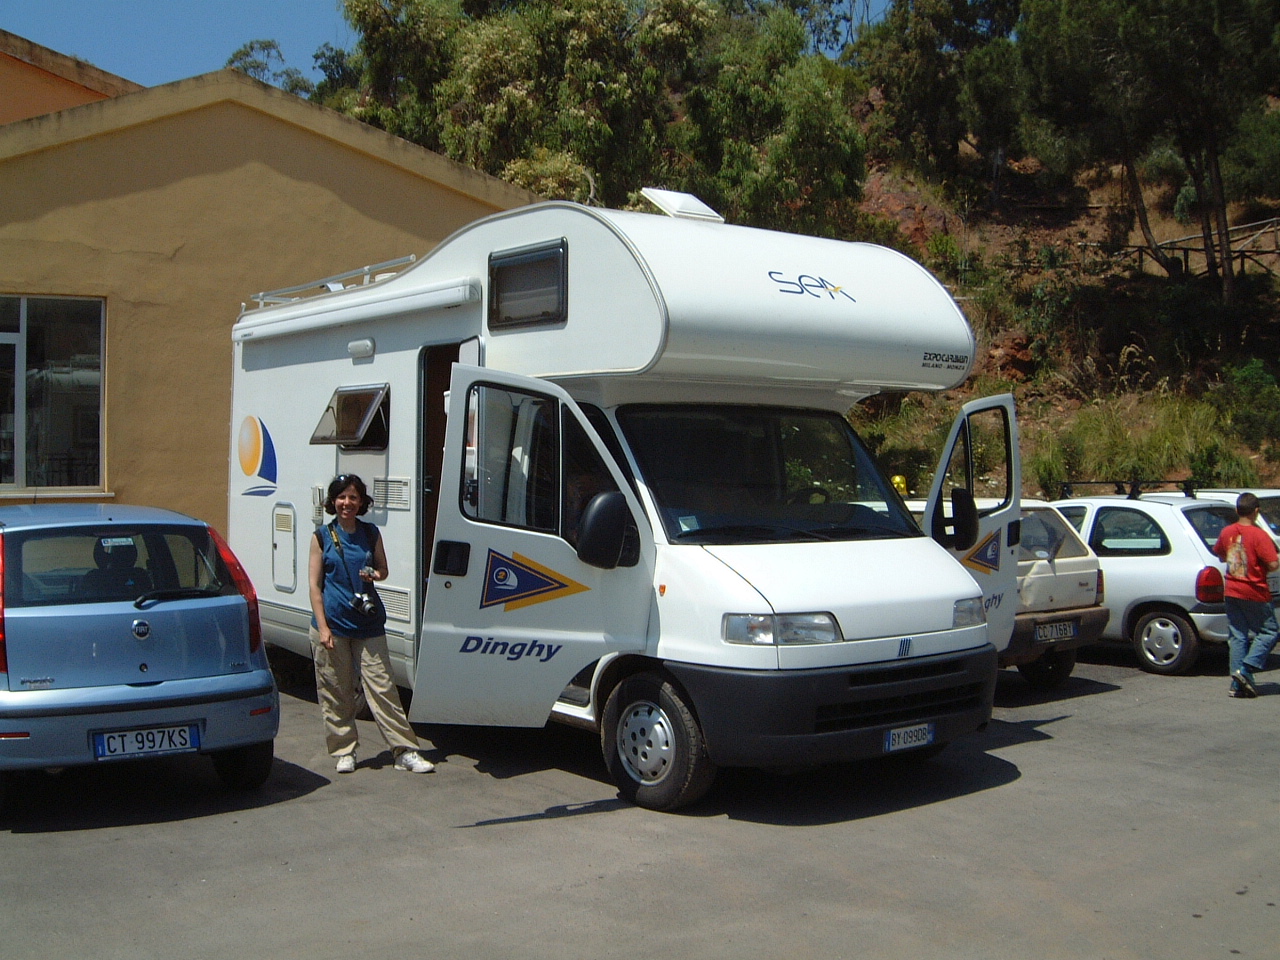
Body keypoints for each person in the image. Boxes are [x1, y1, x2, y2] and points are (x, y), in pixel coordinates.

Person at [309, 474, 435, 773]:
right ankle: (345, 751)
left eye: (353, 497)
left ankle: (404, 751)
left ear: (361, 502)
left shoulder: (370, 533)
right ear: (333, 501)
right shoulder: (321, 536)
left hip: (368, 625)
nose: (347, 503)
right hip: (332, 626)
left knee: (383, 688)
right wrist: (323, 628)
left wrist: (376, 575)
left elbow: (383, 569)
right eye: (342, 497)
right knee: (336, 690)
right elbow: (314, 586)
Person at [1212, 492, 1280, 699]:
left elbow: (1219, 552)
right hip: (1254, 590)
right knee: (1269, 631)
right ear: (1256, 511)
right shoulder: (1259, 535)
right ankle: (1246, 668)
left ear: (1237, 510)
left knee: (1238, 635)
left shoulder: (1227, 532)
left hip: (1232, 589)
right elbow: (1272, 564)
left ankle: (1237, 684)